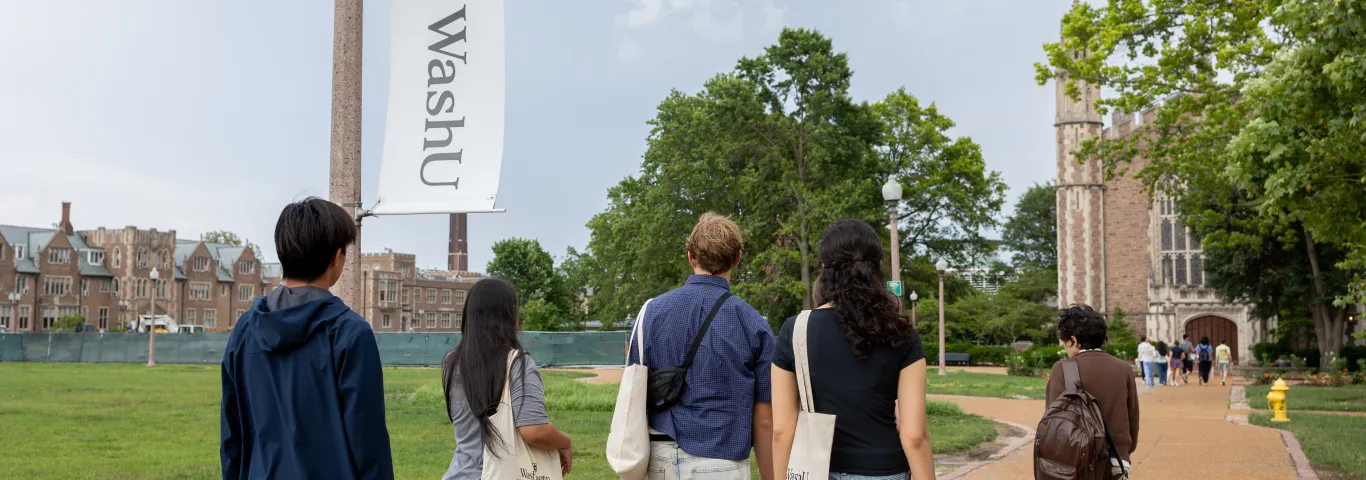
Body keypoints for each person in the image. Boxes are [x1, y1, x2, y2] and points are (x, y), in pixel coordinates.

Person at [220, 197, 394, 479]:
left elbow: (232, 438)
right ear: (336, 257)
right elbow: (368, 444)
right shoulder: (350, 333)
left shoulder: (243, 331)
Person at [771, 220, 936, 480]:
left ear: (824, 268)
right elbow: (915, 436)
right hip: (885, 469)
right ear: (878, 267)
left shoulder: (795, 330)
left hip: (818, 470)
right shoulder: (902, 334)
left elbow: (781, 429)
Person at [628, 212, 775, 480]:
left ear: (691, 257)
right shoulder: (753, 325)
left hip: (659, 456)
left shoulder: (650, 314)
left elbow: (634, 394)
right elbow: (765, 419)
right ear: (737, 259)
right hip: (722, 460)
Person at [440, 278, 572, 479]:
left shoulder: (452, 361)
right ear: (509, 315)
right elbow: (534, 429)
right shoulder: (517, 362)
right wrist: (565, 441)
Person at [1046, 304, 1140, 479]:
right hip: (1117, 460)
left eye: (1065, 342)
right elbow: (1132, 416)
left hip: (1076, 459)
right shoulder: (1123, 368)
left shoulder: (1062, 368)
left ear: (1073, 340)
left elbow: (1054, 419)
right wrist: (1125, 450)